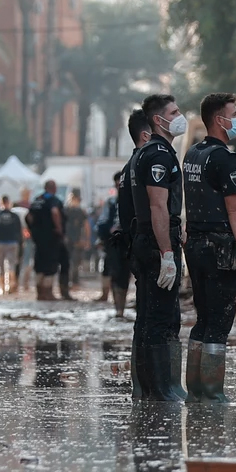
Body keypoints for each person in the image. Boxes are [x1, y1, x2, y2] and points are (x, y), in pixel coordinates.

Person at [181, 91, 236, 402]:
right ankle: (212, 392)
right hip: (220, 248)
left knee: (203, 317)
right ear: (219, 119)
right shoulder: (224, 158)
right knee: (220, 320)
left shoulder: (192, 155)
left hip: (195, 245)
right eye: (233, 113)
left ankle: (195, 390)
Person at [131, 92, 188, 401]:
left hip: (146, 240)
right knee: (160, 318)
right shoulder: (158, 154)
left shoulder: (147, 152)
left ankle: (152, 388)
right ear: (158, 119)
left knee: (149, 317)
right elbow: (158, 207)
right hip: (155, 245)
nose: (180, 117)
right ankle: (160, 389)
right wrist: (167, 253)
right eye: (174, 111)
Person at [107, 108, 151, 324]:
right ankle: (119, 311)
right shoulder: (140, 166)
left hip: (130, 237)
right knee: (121, 277)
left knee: (135, 278)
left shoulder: (130, 167)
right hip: (129, 238)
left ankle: (129, 310)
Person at [26, 181, 66, 301]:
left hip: (38, 239)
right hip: (51, 237)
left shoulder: (37, 200)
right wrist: (59, 228)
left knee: (39, 264)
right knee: (51, 264)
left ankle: (39, 293)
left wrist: (33, 229)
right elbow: (55, 212)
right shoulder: (53, 200)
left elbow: (28, 216)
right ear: (54, 188)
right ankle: (48, 293)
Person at [0, 195, 21, 295]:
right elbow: (19, 231)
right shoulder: (14, 216)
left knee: (0, 266)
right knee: (11, 265)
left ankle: (1, 286)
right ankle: (10, 285)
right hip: (12, 242)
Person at [63, 190, 88, 292]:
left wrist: (85, 239)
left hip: (77, 240)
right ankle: (67, 282)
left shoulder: (80, 212)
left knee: (76, 262)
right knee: (67, 262)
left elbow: (86, 226)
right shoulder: (65, 210)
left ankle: (74, 282)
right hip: (67, 239)